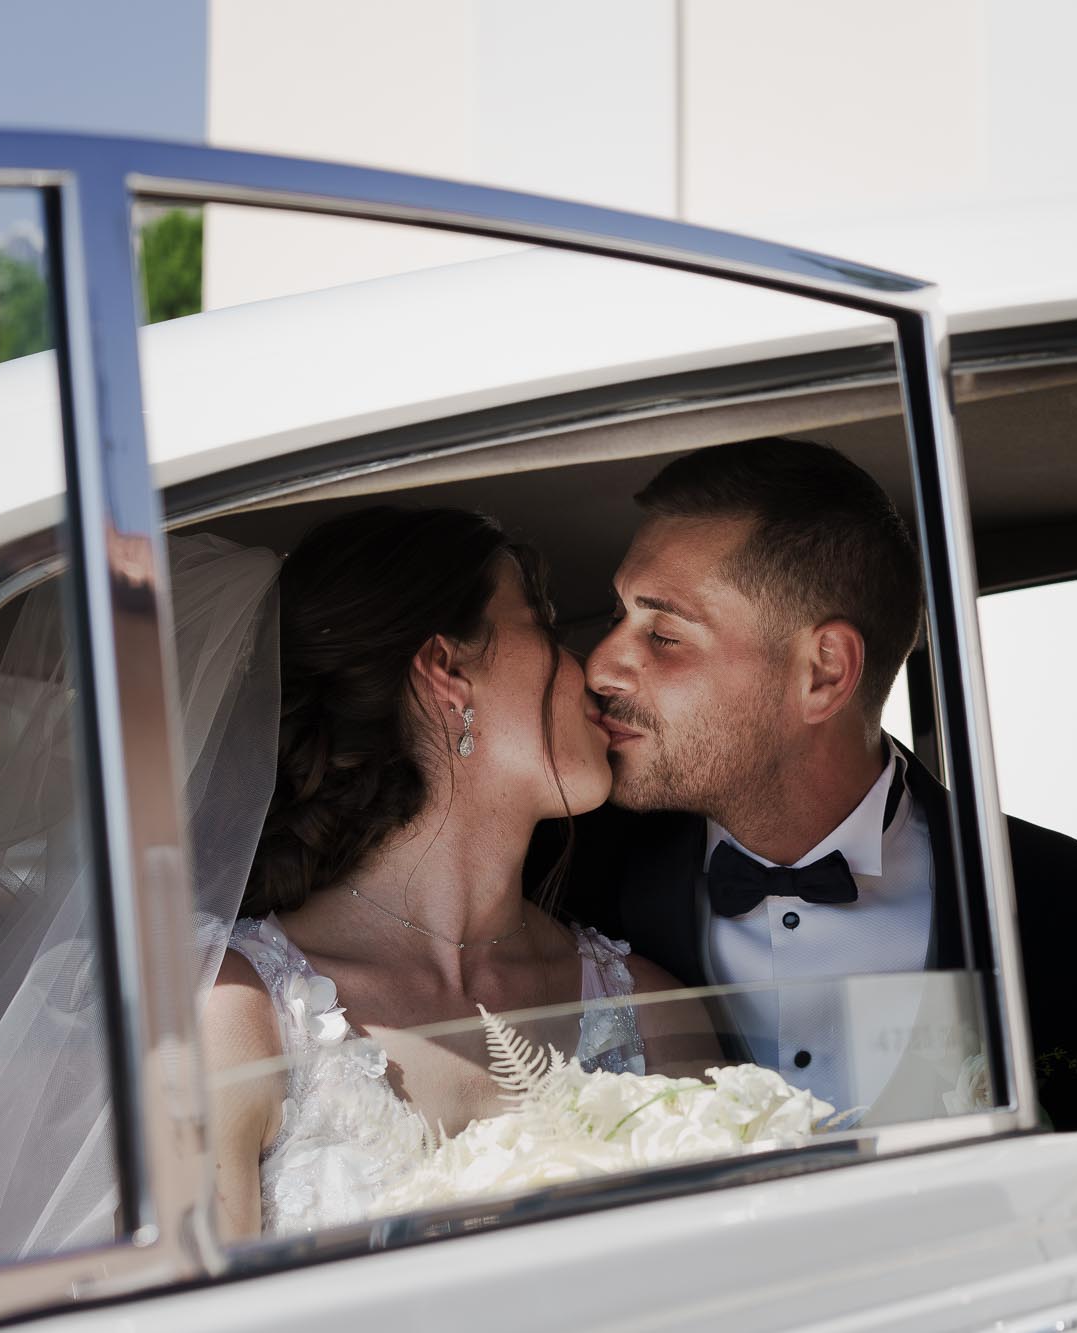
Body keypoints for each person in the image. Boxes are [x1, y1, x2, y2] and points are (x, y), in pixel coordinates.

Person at [568, 438, 1077, 1142]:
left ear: (824, 673)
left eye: (663, 634)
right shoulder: (574, 894)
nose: (600, 666)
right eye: (616, 618)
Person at [203, 507, 715, 1240]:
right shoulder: (237, 1017)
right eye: (544, 621)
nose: (595, 671)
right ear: (447, 672)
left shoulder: (657, 1014)